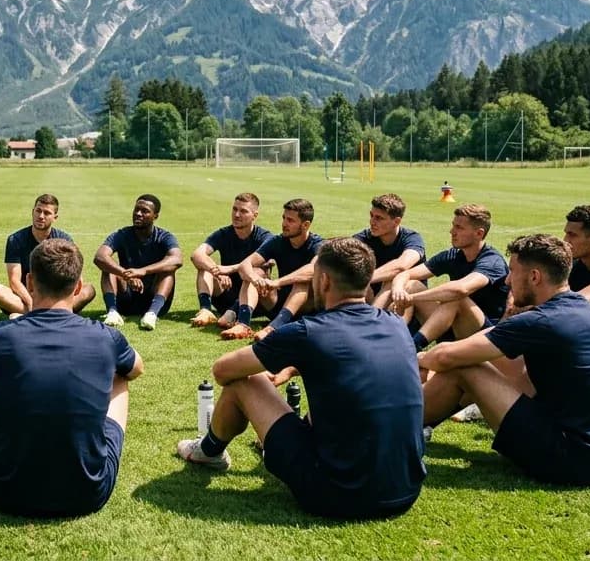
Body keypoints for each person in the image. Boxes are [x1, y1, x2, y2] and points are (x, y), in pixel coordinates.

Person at [176, 237, 425, 519]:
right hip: (405, 492)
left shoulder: (308, 331)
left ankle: (208, 452)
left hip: (335, 496)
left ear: (325, 281)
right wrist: (295, 366)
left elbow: (223, 370)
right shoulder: (395, 324)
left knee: (247, 380)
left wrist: (283, 360)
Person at [418, 234, 590, 486]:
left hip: (573, 461)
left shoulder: (542, 321)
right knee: (478, 363)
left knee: (464, 367)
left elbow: (445, 356)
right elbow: (514, 371)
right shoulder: (585, 311)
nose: (508, 280)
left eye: (512, 272)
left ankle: (391, 425)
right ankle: (414, 425)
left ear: (534, 277)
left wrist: (420, 357)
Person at [0, 238, 144, 517]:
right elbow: (137, 368)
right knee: (122, 374)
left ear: (30, 282)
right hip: (87, 493)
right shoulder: (106, 337)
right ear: (79, 286)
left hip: (6, 492)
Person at [388, 204, 509, 350]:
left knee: (456, 298)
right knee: (411, 285)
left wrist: (412, 299)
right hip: (453, 327)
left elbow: (461, 289)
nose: (452, 231)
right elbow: (405, 274)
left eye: (459, 228)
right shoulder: (453, 255)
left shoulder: (491, 261)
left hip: (484, 335)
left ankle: (412, 347)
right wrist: (399, 293)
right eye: (453, 226)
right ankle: (393, 339)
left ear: (479, 233)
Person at [0, 194, 95, 317]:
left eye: (47, 213)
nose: (41, 216)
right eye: (38, 211)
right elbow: (14, 281)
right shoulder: (15, 239)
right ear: (32, 212)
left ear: (55, 217)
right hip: (28, 296)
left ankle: (29, 315)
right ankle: (54, 314)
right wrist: (32, 304)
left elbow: (77, 279)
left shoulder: (64, 240)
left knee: (89, 290)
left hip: (56, 296)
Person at [232, 198, 323, 341]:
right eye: (284, 218)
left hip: (306, 310)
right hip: (278, 305)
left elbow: (312, 269)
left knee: (302, 281)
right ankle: (243, 323)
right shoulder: (278, 241)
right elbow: (245, 264)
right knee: (255, 272)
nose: (284, 224)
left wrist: (277, 282)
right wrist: (256, 279)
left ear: (305, 225)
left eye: (290, 220)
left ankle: (272, 328)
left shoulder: (318, 245)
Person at [94, 194, 183, 330]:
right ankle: (112, 312)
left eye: (145, 211)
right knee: (108, 267)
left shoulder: (164, 236)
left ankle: (152, 314)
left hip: (153, 297)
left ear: (155, 216)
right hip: (125, 298)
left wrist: (143, 271)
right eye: (136, 209)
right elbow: (100, 256)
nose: (138, 214)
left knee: (168, 270)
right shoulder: (122, 234)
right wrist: (126, 274)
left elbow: (177, 259)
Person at [189, 193, 273, 328]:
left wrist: (228, 269)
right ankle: (205, 310)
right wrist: (217, 272)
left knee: (257, 271)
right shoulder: (224, 233)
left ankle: (238, 314)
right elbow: (197, 255)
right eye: (235, 209)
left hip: (254, 300)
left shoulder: (265, 237)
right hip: (226, 293)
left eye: (243, 211)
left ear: (254, 216)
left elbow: (266, 263)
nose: (237, 215)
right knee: (205, 267)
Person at [355, 193, 427, 307]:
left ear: (396, 222)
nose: (372, 222)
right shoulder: (363, 239)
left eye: (379, 218)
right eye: (371, 215)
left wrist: (365, 279)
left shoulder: (412, 239)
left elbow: (401, 266)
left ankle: (373, 319)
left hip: (407, 301)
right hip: (372, 299)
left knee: (395, 280)